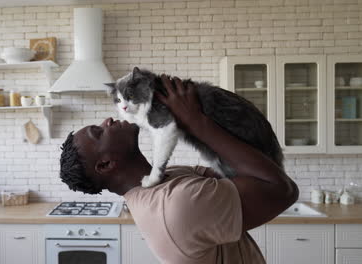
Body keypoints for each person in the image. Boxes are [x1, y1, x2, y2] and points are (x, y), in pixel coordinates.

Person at [59, 75, 299, 264]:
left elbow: (245, 174)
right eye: (98, 132)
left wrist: (191, 116)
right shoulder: (178, 202)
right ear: (106, 164)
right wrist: (195, 121)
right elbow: (281, 189)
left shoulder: (170, 177)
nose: (107, 121)